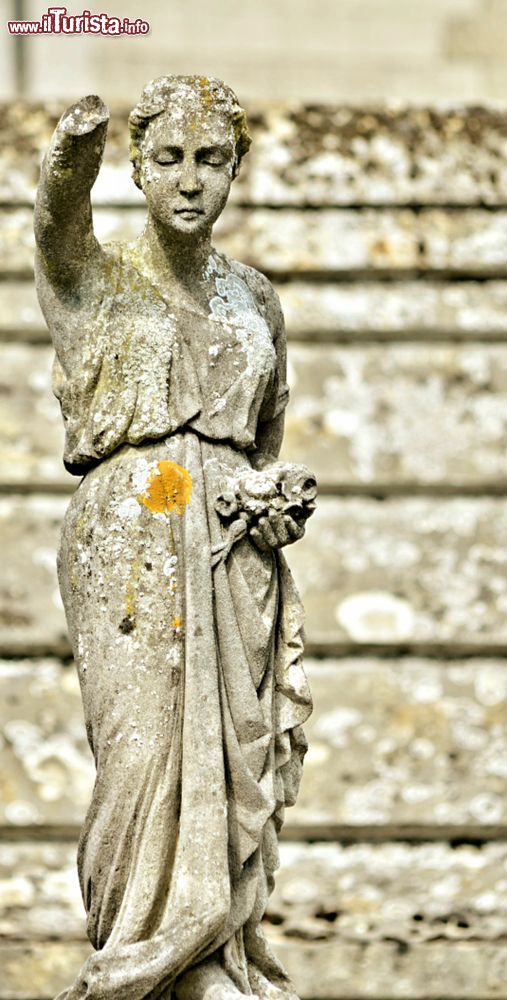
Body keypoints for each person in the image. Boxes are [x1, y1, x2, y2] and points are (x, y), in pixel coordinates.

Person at [34, 75, 313, 1000]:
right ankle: (135, 959)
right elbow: (55, 230)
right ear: (138, 167)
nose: (189, 181)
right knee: (144, 753)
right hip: (133, 531)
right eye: (166, 160)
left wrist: (273, 499)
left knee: (233, 756)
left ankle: (211, 959)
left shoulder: (254, 300)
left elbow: (262, 438)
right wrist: (74, 153)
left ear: (234, 169)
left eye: (209, 161)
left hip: (235, 556)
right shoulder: (98, 276)